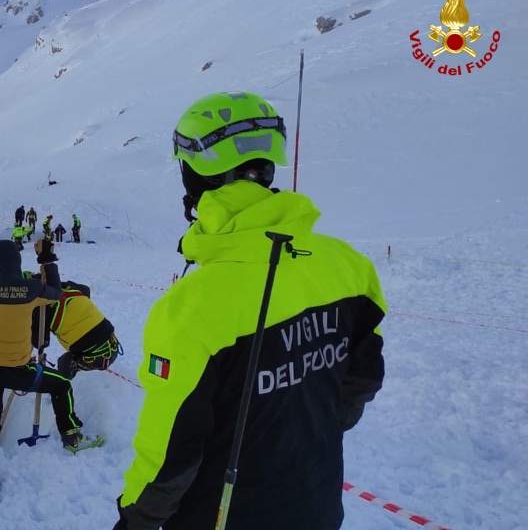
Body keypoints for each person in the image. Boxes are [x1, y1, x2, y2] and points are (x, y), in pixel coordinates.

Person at [113, 91, 386, 530]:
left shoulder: (191, 307)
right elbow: (363, 377)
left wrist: (136, 520)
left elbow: (171, 453)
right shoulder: (349, 266)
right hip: (318, 506)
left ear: (198, 178)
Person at [0, 239, 96, 451]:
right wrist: (47, 261)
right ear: (16, 261)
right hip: (19, 372)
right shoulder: (31, 288)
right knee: (62, 384)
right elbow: (56, 293)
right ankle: (71, 436)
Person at [27, 279, 122, 379]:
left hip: (94, 358)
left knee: (64, 363)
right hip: (112, 343)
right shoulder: (66, 286)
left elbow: (40, 343)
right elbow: (86, 290)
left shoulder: (38, 310)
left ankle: (62, 386)